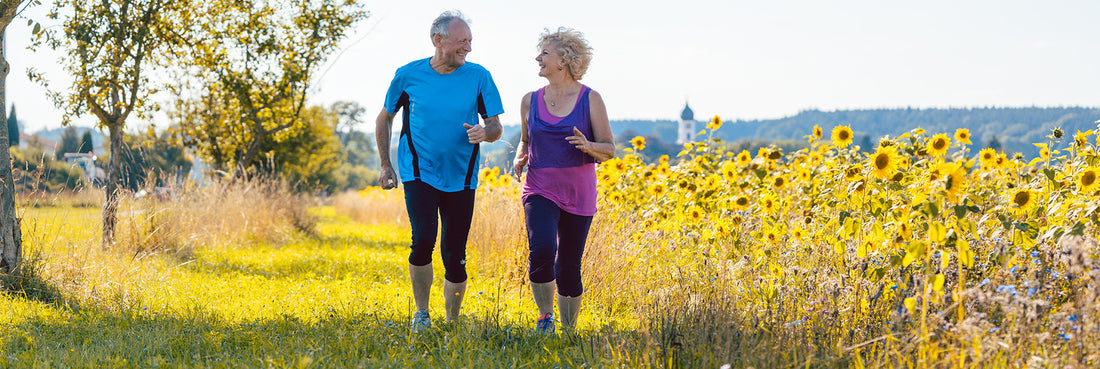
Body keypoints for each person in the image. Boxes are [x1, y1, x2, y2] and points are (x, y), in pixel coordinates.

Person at [375, 10, 504, 331]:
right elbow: (385, 118)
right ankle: (421, 314)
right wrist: (385, 164)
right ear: (438, 40)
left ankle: (451, 321)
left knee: (455, 252)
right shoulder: (408, 75)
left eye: (470, 42)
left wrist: (484, 133)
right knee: (422, 240)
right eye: (462, 42)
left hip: (462, 175)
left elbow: (496, 127)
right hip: (418, 171)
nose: (468, 49)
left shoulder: (479, 77)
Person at [512, 27, 614, 335]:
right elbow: (526, 140)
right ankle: (545, 319)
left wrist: (589, 147)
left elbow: (608, 148)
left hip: (578, 192)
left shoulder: (590, 99)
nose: (537, 58)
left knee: (568, 264)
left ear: (564, 60)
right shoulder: (530, 100)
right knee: (542, 248)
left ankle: (569, 330)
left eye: (544, 53)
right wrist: (520, 156)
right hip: (539, 187)